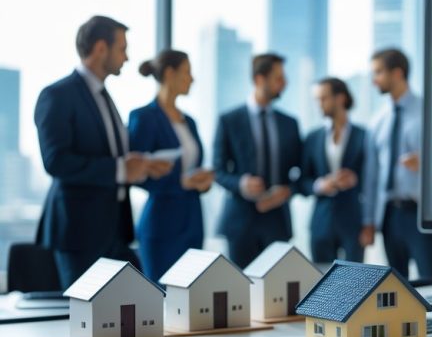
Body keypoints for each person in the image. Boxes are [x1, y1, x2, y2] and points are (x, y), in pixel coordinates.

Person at [34, 15, 172, 288]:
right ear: (100, 48)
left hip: (114, 229)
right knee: (86, 324)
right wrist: (120, 169)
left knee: (138, 308)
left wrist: (139, 166)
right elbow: (56, 161)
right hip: (78, 232)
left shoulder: (105, 97)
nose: (127, 57)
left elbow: (111, 155)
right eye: (122, 48)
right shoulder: (58, 95)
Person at [127, 50, 213, 281]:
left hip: (192, 219)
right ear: (169, 73)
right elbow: (135, 175)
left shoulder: (190, 122)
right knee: (161, 297)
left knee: (191, 297)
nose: (192, 79)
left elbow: (193, 168)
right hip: (161, 222)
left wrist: (203, 181)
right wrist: (180, 182)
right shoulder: (143, 117)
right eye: (187, 72)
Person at [361, 48, 432, 279]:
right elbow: (371, 176)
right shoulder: (377, 121)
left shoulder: (430, 110)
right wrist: (368, 221)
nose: (373, 79)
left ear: (397, 73)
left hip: (422, 214)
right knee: (396, 289)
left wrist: (428, 162)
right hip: (389, 216)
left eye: (378, 72)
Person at [213, 53, 302, 268]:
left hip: (277, 222)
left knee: (279, 291)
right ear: (259, 79)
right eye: (278, 78)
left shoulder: (289, 123)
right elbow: (218, 170)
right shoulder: (229, 120)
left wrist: (287, 190)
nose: (285, 83)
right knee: (241, 293)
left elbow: (303, 172)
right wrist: (241, 184)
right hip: (240, 221)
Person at [300, 77, 374, 263]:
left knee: (356, 281)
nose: (319, 104)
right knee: (321, 281)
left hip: (353, 220)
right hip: (321, 221)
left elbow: (373, 179)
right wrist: (320, 185)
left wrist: (355, 180)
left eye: (323, 98)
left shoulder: (364, 136)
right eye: (317, 99)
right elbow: (301, 181)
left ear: (340, 98)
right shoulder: (312, 137)